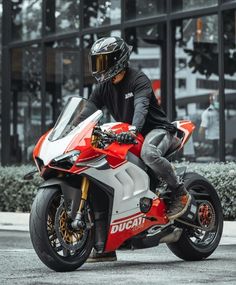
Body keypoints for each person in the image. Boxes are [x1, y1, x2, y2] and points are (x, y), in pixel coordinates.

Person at [84, 36, 191, 262]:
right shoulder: (103, 87)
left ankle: (179, 192)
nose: (99, 67)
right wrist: (72, 129)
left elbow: (141, 108)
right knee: (101, 173)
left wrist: (133, 129)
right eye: (97, 61)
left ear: (118, 59)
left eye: (103, 61)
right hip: (126, 135)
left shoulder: (138, 79)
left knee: (149, 153)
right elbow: (88, 111)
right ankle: (106, 246)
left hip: (156, 131)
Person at [199, 91, 219, 158]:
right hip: (211, 141)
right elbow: (203, 128)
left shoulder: (219, 111)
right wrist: (201, 143)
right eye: (215, 98)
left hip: (218, 141)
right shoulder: (207, 113)